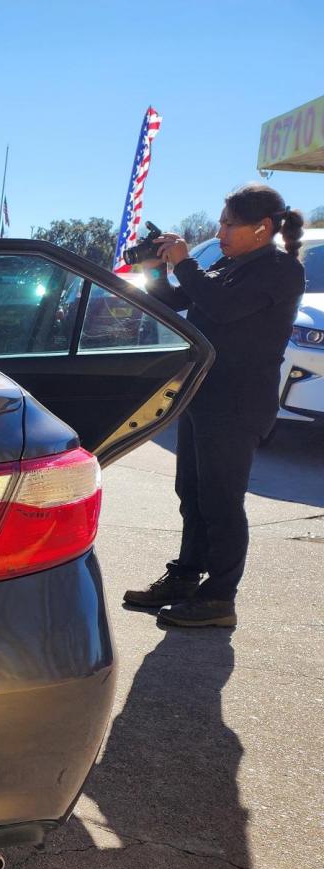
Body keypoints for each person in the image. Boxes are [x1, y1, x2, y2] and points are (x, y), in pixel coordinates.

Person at [122, 183, 305, 627]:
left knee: (222, 501)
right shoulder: (230, 263)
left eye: (227, 224)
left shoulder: (280, 270)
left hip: (238, 404)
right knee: (193, 494)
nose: (219, 231)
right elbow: (181, 301)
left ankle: (220, 598)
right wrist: (157, 270)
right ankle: (186, 577)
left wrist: (185, 261)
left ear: (262, 228)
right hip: (204, 396)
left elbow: (221, 307)